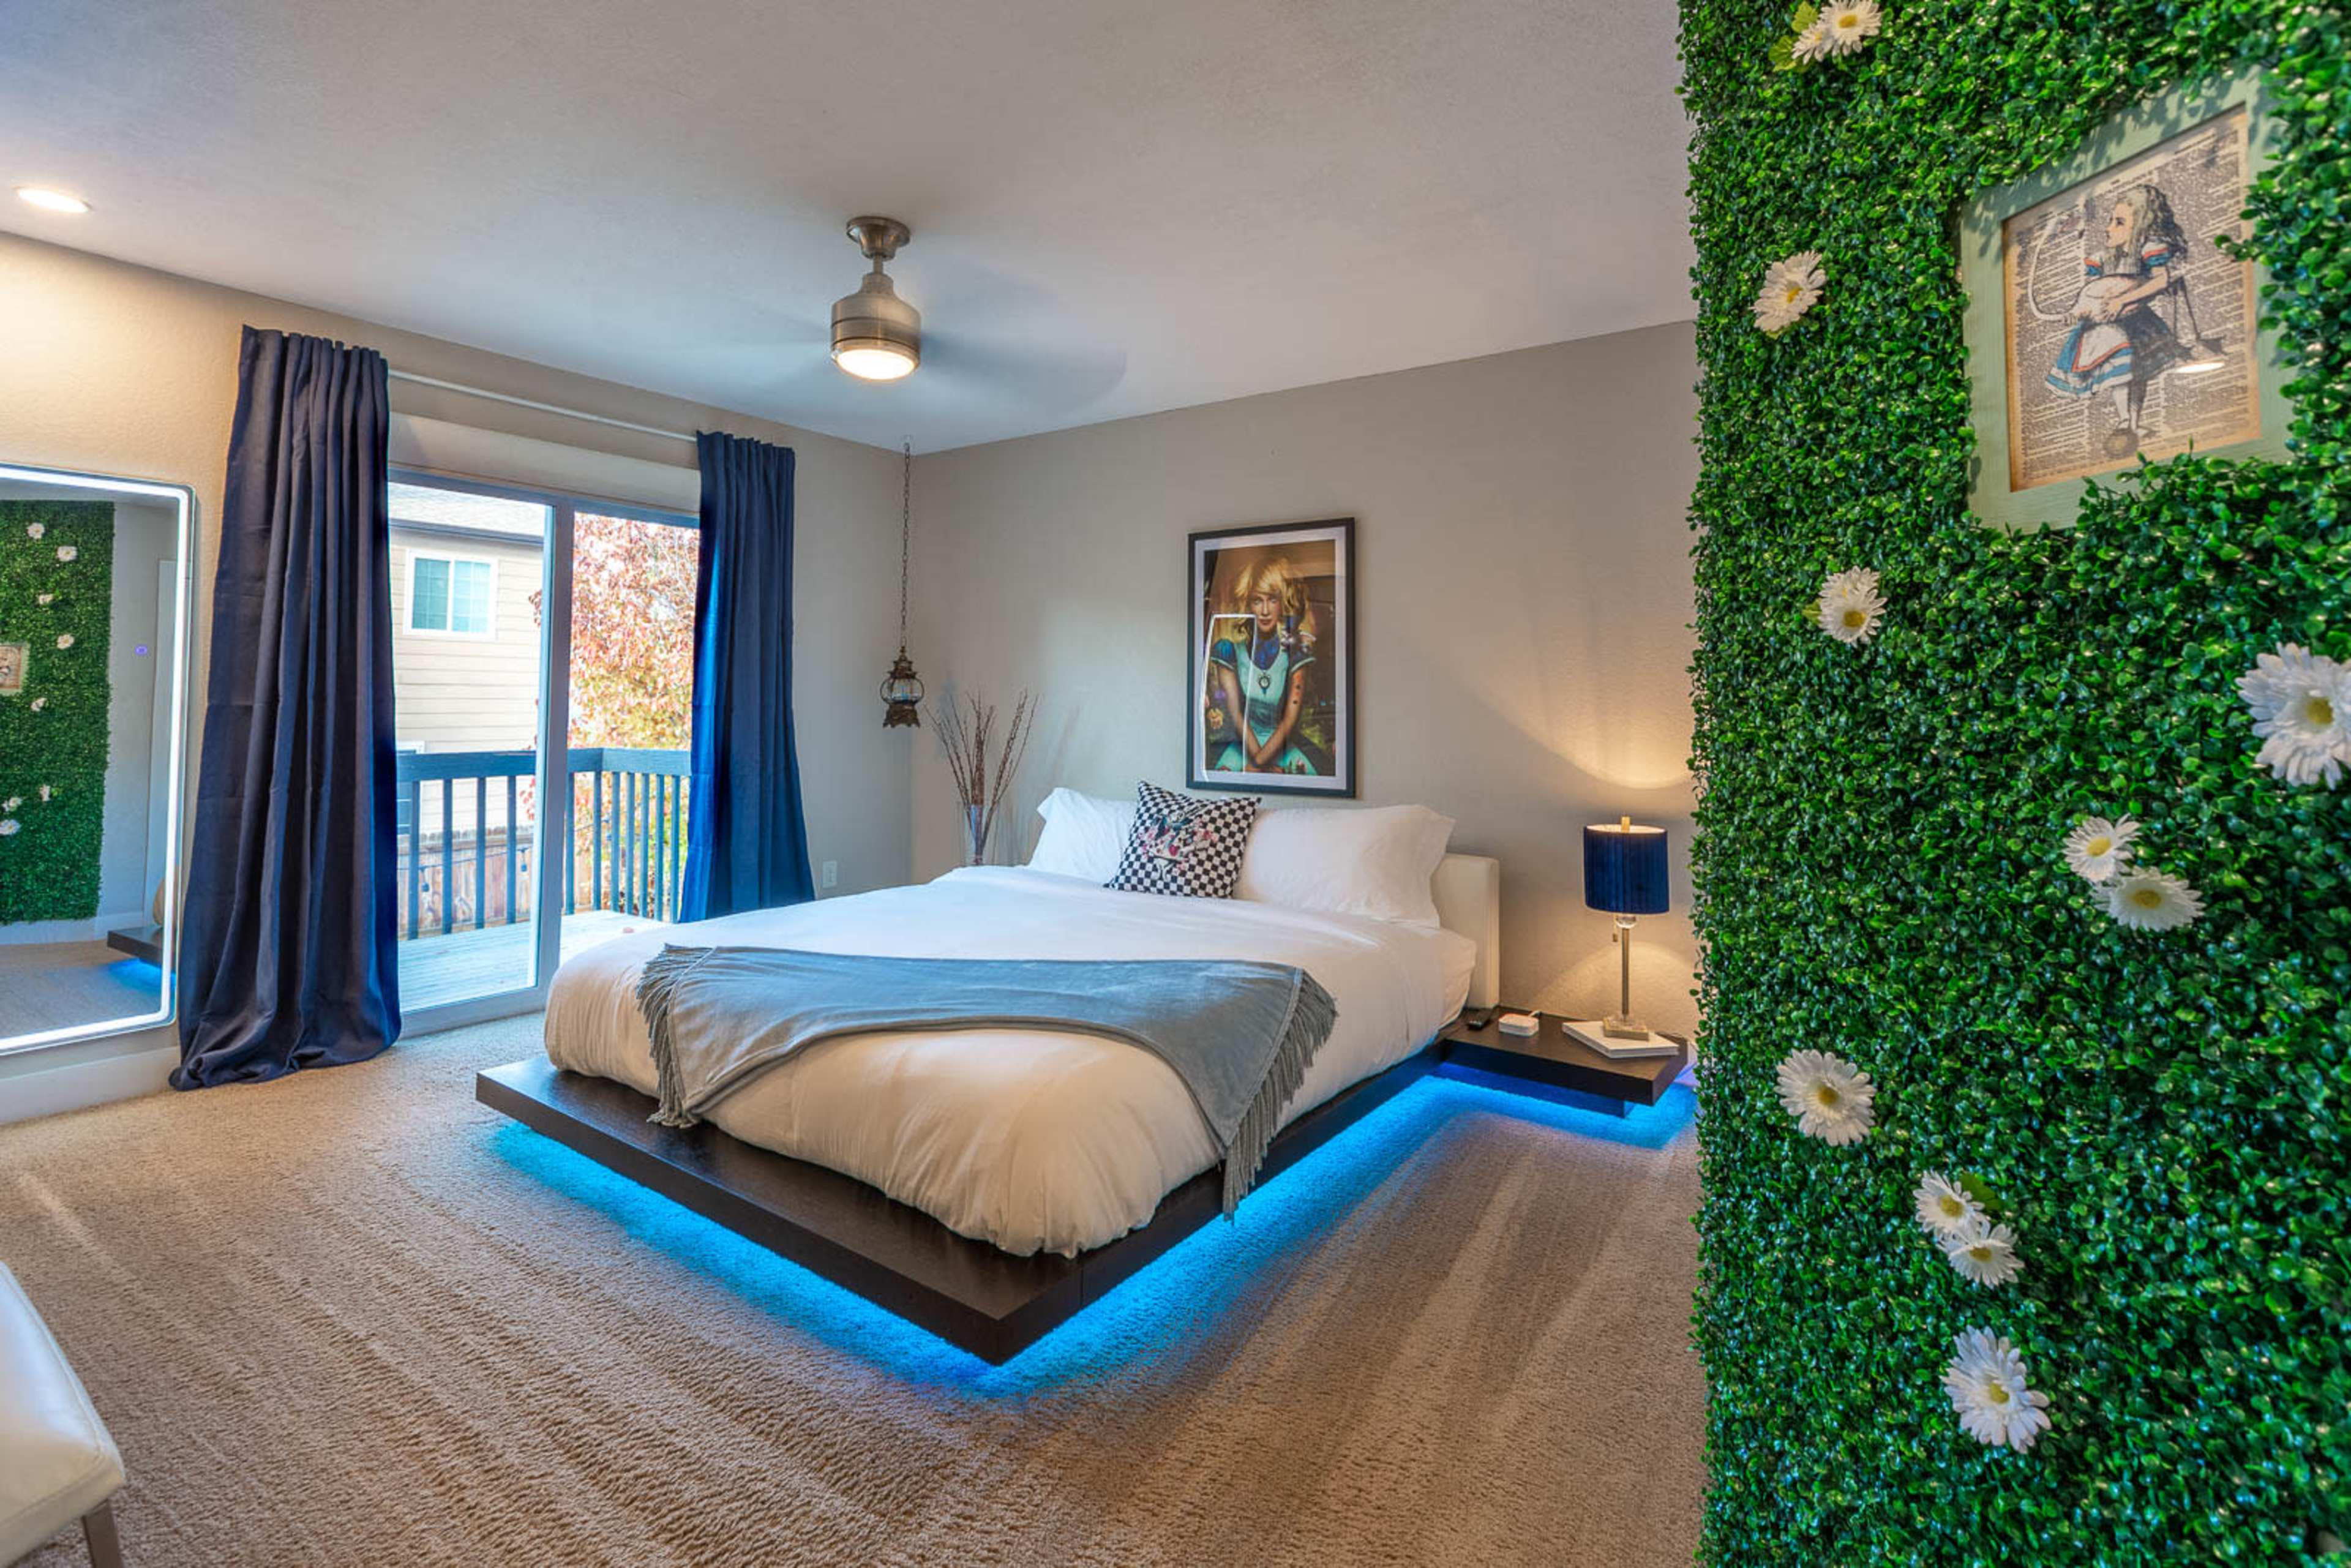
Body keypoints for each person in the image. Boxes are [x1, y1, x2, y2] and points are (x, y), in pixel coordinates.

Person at [2043, 184, 2192, 458]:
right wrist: (2075, 313)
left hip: (2136, 321)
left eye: (2119, 222)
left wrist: (2123, 300)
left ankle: (2133, 424)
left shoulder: (2149, 249)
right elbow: (2089, 296)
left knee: (2138, 374)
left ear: (2141, 227)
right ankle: (2124, 420)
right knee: (2120, 368)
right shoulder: (2101, 259)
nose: (2110, 228)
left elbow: (2161, 280)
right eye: (2111, 220)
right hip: (2105, 327)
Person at [1206, 556, 1320, 776]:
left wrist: (1259, 764)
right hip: (1243, 748)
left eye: (1272, 600)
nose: (1265, 610)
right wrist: (1259, 764)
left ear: (1283, 602)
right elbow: (1235, 713)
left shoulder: (1297, 653)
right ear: (1248, 604)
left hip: (1282, 749)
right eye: (1257, 600)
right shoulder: (1227, 650)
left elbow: (1290, 719)